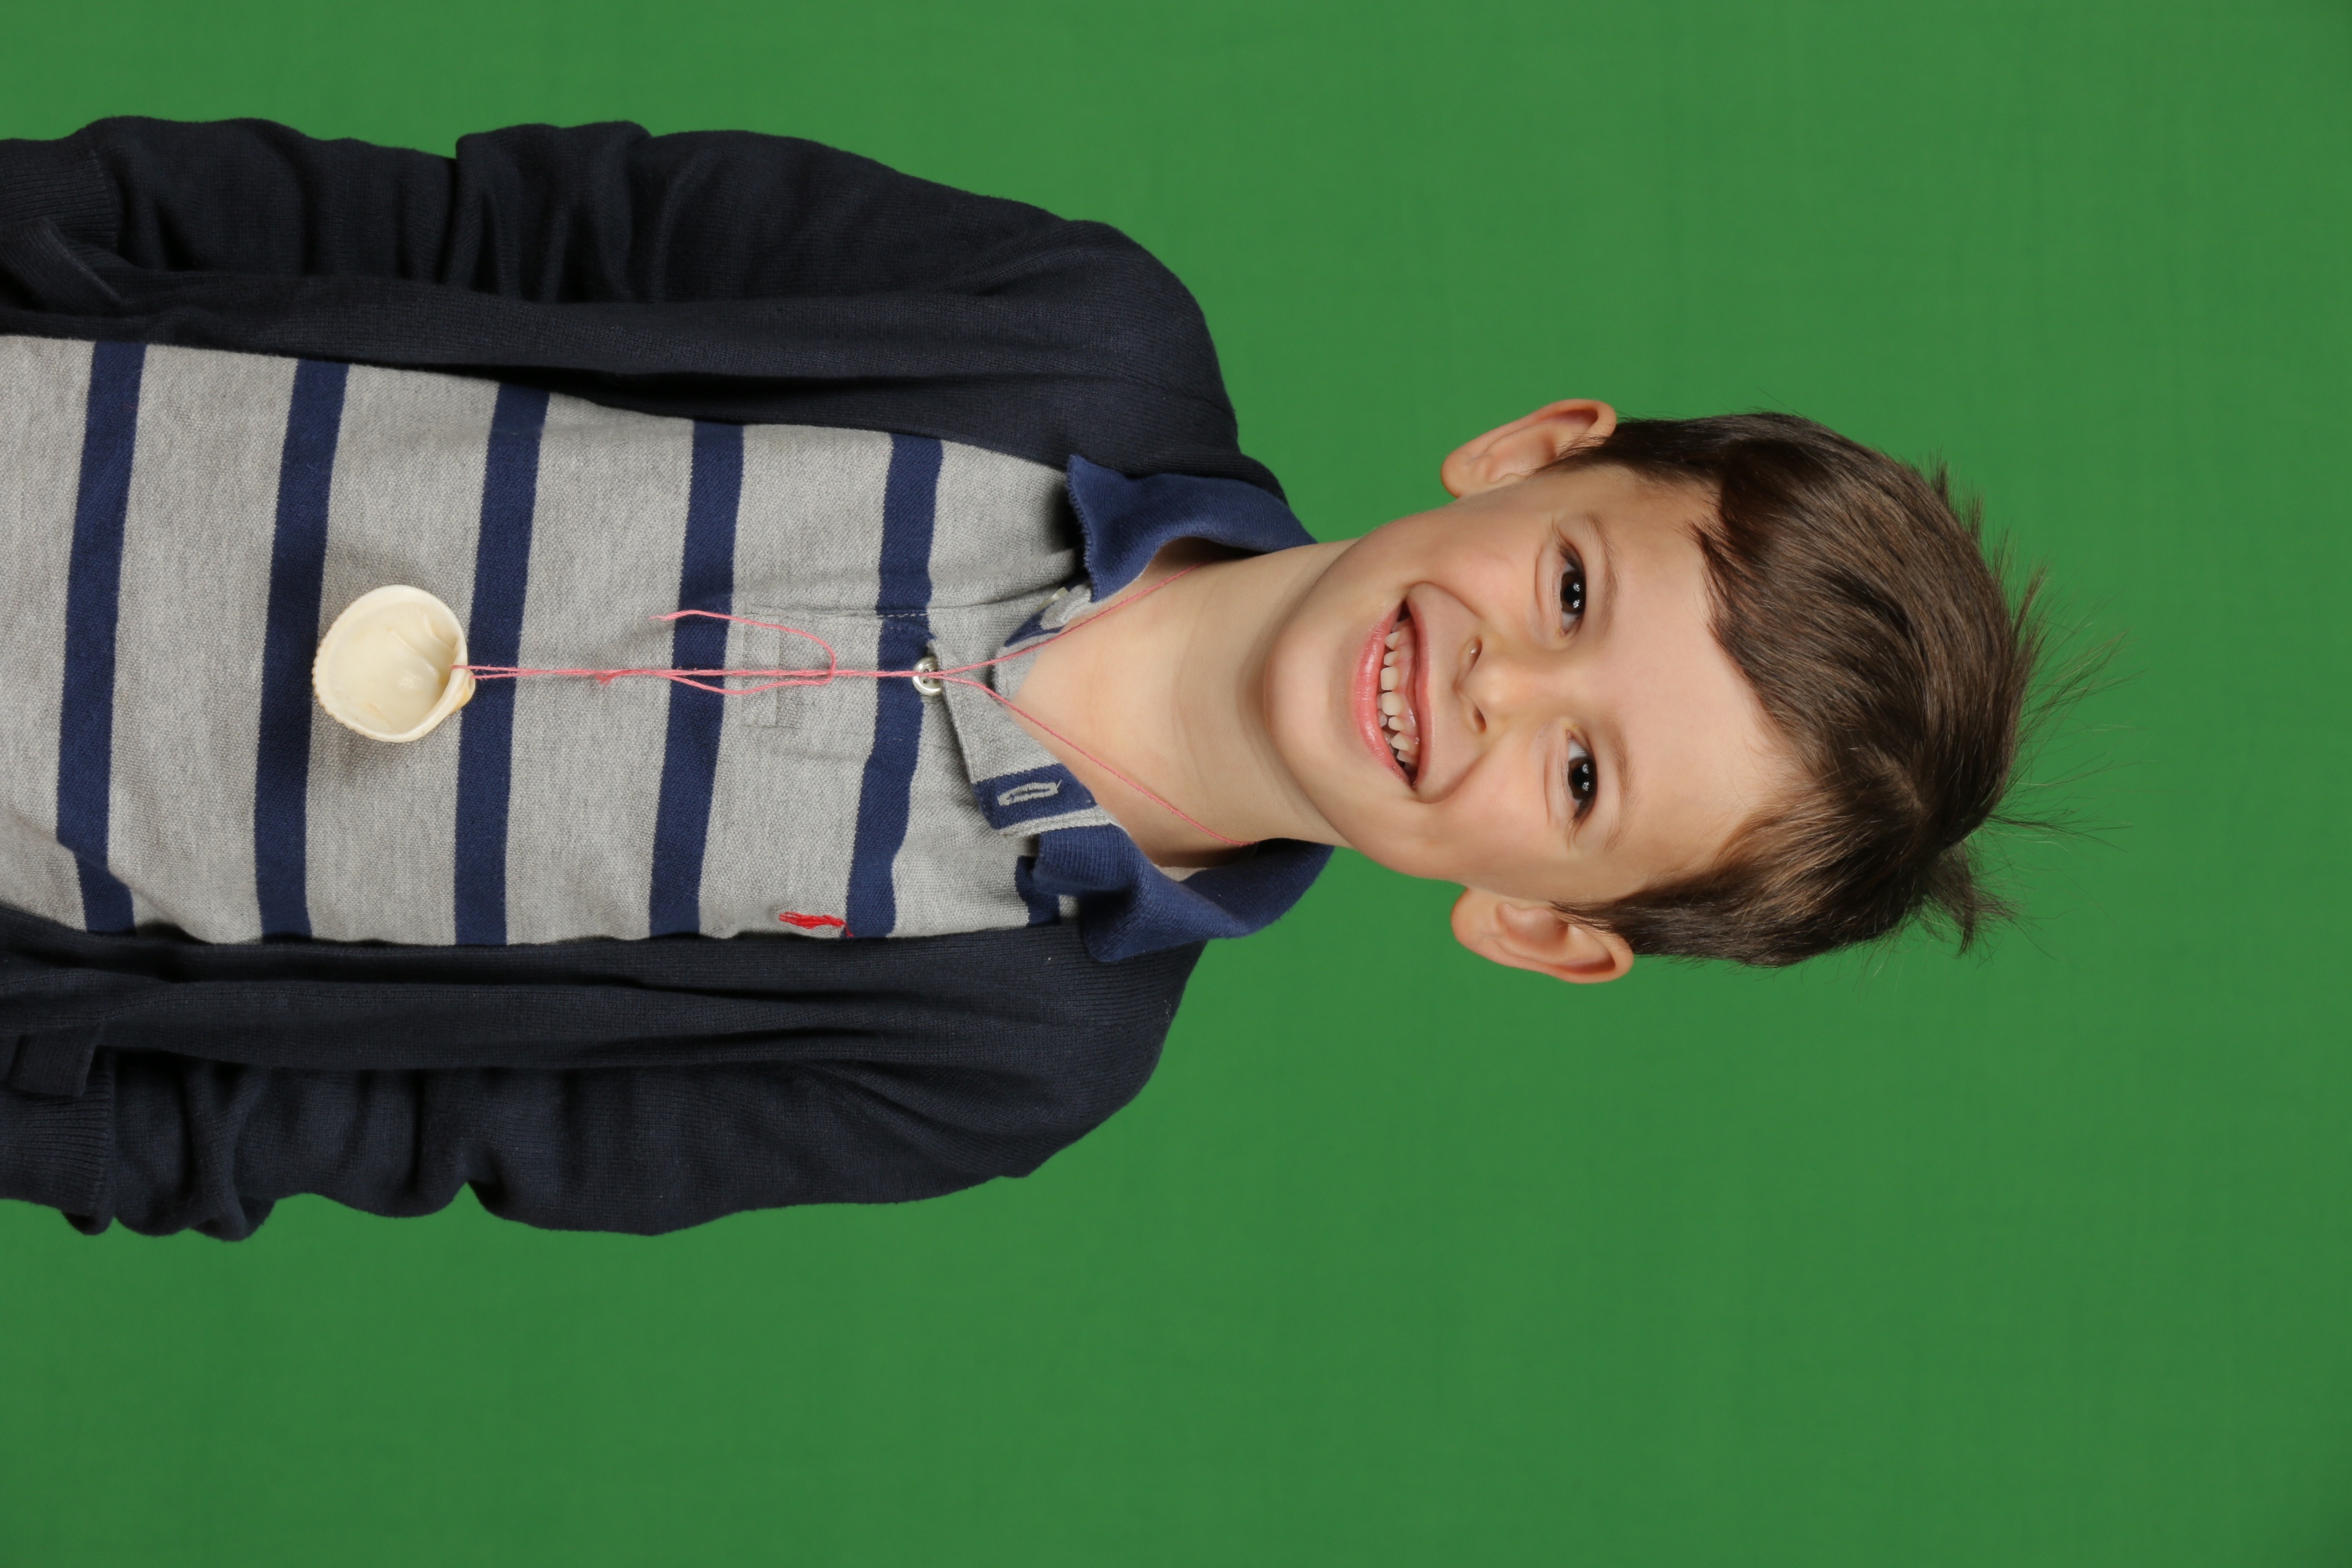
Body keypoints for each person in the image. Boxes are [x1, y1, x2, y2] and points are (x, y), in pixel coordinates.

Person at [0, 118, 2037, 1239]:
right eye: (1575, 588)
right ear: (1534, 452)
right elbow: (505, 227)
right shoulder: (1065, 332)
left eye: (1583, 782)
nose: (1504, 685)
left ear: (1537, 925)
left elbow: (421, 1123)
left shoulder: (1012, 1051)